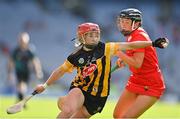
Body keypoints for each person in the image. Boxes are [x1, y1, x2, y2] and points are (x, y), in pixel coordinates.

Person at [34, 22, 168, 118]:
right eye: (90, 35)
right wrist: (44, 85)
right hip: (81, 88)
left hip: (98, 97)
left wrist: (152, 43)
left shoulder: (106, 48)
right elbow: (60, 71)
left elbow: (130, 45)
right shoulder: (75, 57)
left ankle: (65, 102)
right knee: (68, 110)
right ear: (82, 37)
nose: (95, 38)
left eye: (96, 34)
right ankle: (67, 104)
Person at [113, 8, 168, 118]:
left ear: (136, 23)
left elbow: (137, 63)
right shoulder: (133, 34)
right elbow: (137, 55)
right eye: (122, 21)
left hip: (151, 83)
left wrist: (117, 52)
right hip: (136, 79)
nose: (123, 25)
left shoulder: (138, 35)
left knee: (126, 118)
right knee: (117, 115)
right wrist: (125, 58)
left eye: (126, 22)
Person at [7, 32, 43, 102]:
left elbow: (35, 61)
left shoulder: (30, 50)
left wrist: (38, 71)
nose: (22, 43)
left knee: (24, 85)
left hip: (27, 71)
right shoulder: (16, 51)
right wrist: (9, 72)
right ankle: (22, 98)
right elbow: (11, 61)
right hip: (19, 70)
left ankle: (21, 97)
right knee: (20, 84)